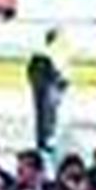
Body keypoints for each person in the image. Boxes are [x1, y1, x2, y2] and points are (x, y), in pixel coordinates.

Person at [26, 28, 70, 163]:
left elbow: (32, 72)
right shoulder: (46, 53)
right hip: (47, 88)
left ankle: (45, 140)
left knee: (46, 116)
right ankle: (45, 141)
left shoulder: (52, 52)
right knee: (46, 116)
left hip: (47, 88)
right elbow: (36, 72)